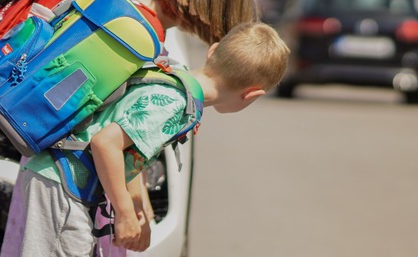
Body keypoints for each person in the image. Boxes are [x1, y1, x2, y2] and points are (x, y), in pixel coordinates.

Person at [0, 0, 258, 256]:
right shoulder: (140, 39)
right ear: (207, 7)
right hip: (65, 177)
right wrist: (127, 209)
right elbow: (109, 138)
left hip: (53, 167)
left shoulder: (126, 8)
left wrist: (138, 202)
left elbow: (115, 125)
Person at [18, 21, 290, 256]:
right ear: (252, 94)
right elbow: (105, 143)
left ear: (213, 50)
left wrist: (138, 207)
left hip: (59, 178)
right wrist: (124, 213)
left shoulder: (172, 75)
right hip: (64, 183)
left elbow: (126, 148)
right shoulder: (173, 104)